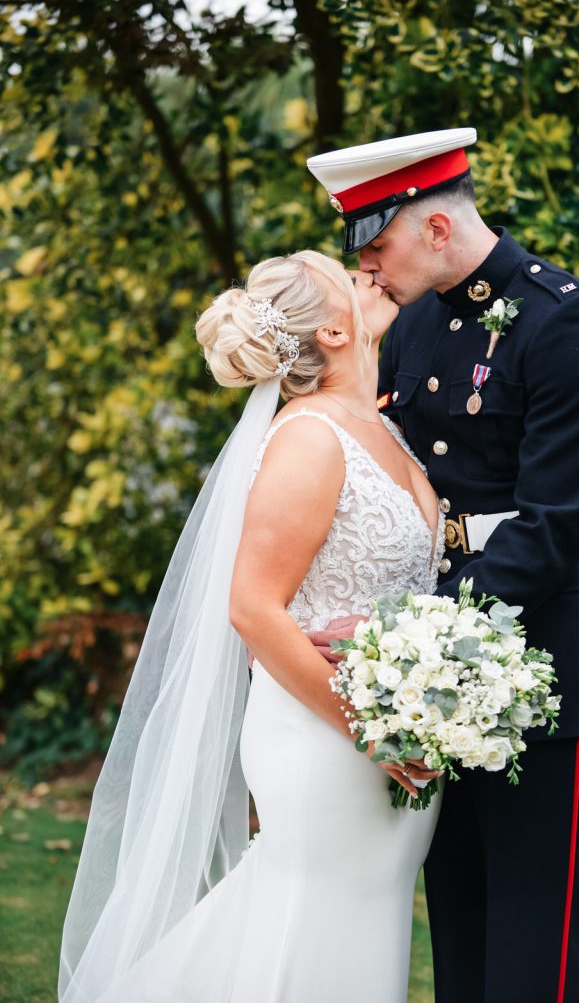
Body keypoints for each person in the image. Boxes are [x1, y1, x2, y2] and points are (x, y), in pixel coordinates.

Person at [58, 250, 444, 1003]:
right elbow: (252, 607)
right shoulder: (308, 438)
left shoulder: (383, 430)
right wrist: (370, 728)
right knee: (310, 918)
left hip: (395, 734)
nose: (368, 273)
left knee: (363, 919)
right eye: (349, 275)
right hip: (325, 735)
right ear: (335, 330)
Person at [307, 129, 579, 1003]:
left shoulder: (568, 321)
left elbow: (552, 527)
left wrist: (408, 639)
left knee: (532, 945)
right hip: (433, 673)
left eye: (377, 244)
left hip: (544, 665)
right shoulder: (411, 325)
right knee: (458, 932)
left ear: (437, 229)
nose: (368, 268)